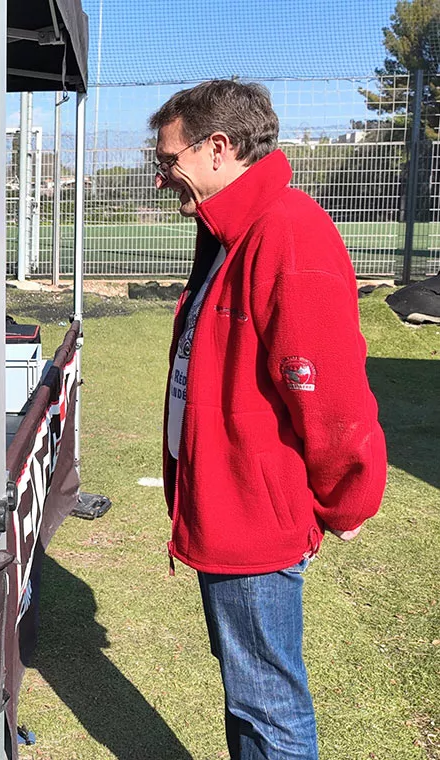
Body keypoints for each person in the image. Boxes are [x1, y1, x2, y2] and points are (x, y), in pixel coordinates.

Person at [149, 80, 387, 759]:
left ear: (218, 148)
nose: (163, 177)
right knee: (247, 692)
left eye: (169, 160)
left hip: (255, 518)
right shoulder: (228, 230)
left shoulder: (286, 232)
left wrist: (347, 501)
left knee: (267, 701)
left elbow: (331, 395)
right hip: (225, 505)